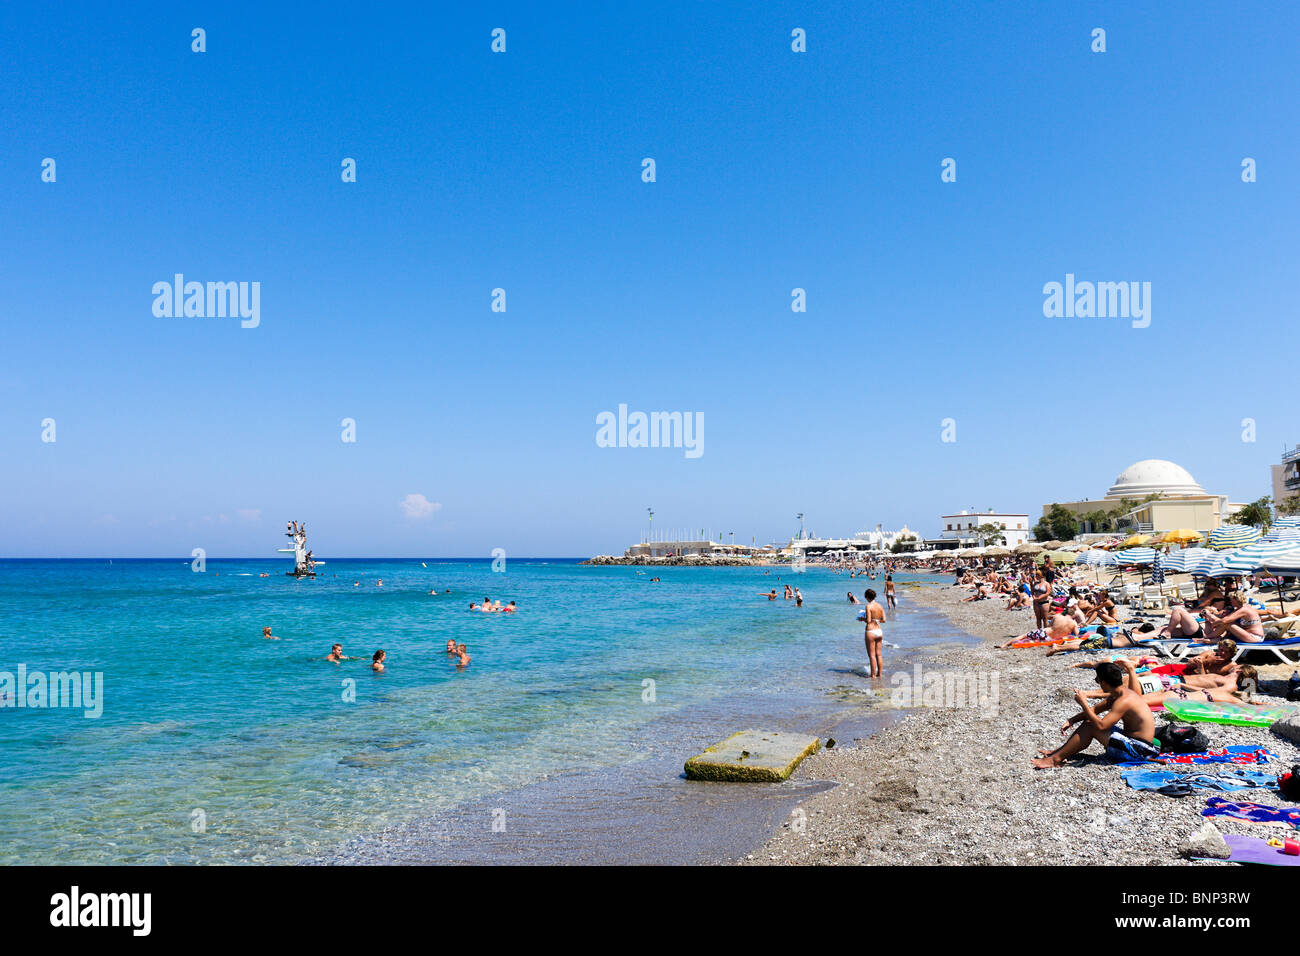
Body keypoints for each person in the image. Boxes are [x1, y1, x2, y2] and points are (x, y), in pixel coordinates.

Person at [1031, 661, 1157, 768]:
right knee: (1090, 722)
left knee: (1091, 725)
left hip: (1139, 751)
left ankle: (1055, 760)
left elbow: (1101, 726)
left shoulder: (1123, 700)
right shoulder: (1121, 693)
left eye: (1098, 680)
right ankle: (1058, 753)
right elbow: (1095, 709)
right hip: (1136, 744)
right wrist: (1072, 720)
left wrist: (1083, 703)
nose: (1097, 683)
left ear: (1104, 682)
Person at [862, 588, 886, 678]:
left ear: (867, 597)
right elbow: (884, 620)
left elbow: (868, 621)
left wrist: (862, 619)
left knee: (872, 655)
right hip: (879, 631)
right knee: (879, 654)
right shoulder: (880, 606)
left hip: (871, 631)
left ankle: (873, 675)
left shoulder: (868, 606)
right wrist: (876, 620)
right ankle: (880, 674)